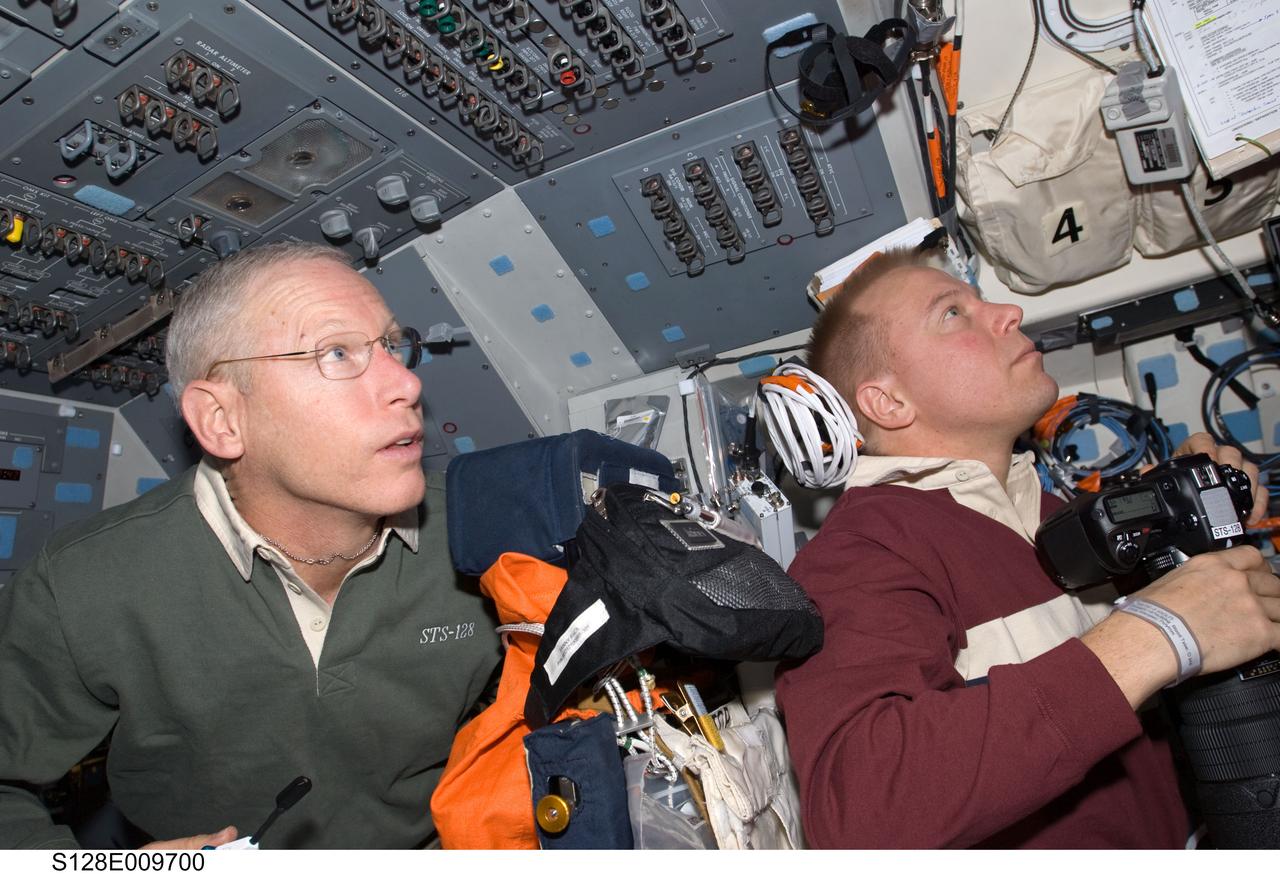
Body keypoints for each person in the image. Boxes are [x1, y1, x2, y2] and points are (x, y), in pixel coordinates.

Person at [0, 242, 500, 849]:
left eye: (393, 347)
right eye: (337, 353)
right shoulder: (83, 583)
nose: (406, 383)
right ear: (221, 420)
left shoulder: (489, 529)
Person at [775, 250, 1280, 848]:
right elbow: (859, 808)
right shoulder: (862, 552)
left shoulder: (1054, 515)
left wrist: (1199, 523)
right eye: (953, 313)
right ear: (889, 403)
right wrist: (1159, 633)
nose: (1010, 313)